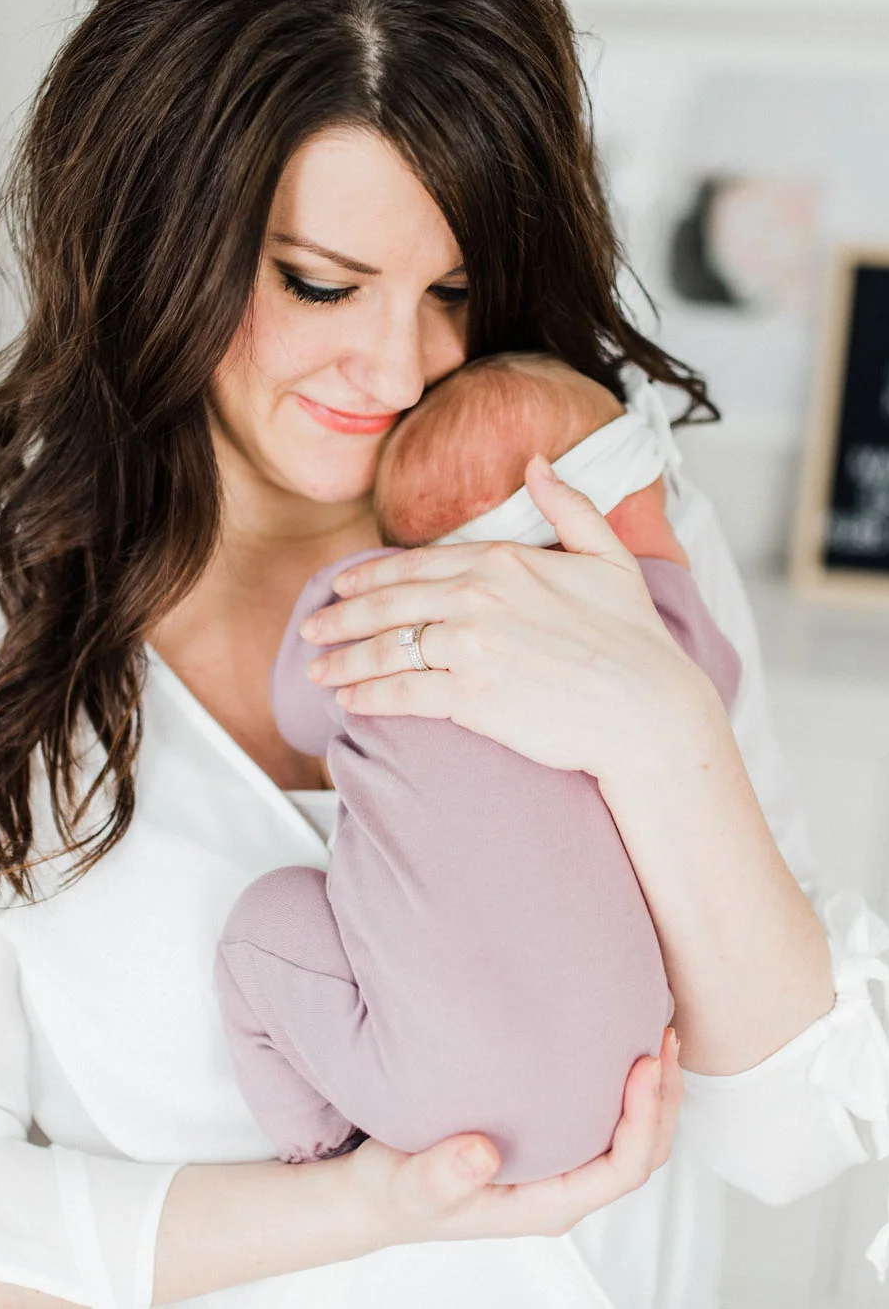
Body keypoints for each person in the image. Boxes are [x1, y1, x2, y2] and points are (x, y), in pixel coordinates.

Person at [0, 0, 889, 1307]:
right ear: (152, 240)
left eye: (454, 290)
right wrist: (367, 1206)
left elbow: (798, 1132)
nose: (400, 371)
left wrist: (657, 726)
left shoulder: (589, 525)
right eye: (319, 285)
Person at [214, 354, 741, 1184]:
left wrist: (341, 589)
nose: (670, 550)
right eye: (651, 517)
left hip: (419, 1104)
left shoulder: (372, 606)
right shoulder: (649, 642)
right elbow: (714, 693)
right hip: (619, 1092)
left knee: (265, 925)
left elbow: (298, 715)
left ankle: (317, 1141)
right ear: (578, 519)